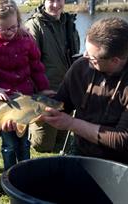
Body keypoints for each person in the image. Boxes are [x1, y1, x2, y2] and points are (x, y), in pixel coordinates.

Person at [36, 17, 128, 172]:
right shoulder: (81, 67)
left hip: (126, 164)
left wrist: (71, 123)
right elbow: (61, 105)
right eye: (86, 51)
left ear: (115, 61)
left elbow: (124, 140)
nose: (85, 57)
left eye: (93, 57)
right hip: (82, 152)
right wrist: (30, 108)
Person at [0, 0, 54, 171]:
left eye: (12, 27)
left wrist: (43, 88)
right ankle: (9, 173)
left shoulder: (26, 38)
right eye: (2, 28)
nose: (8, 32)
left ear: (19, 22)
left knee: (24, 141)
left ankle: (26, 170)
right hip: (5, 101)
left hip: (25, 99)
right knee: (9, 143)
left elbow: (37, 68)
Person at [25, 0, 80, 152]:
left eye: (59, 0)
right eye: (51, 1)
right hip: (45, 95)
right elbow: (29, 64)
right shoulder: (34, 25)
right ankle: (29, 123)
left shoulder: (69, 22)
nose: (56, 5)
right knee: (42, 146)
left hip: (66, 92)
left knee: (63, 142)